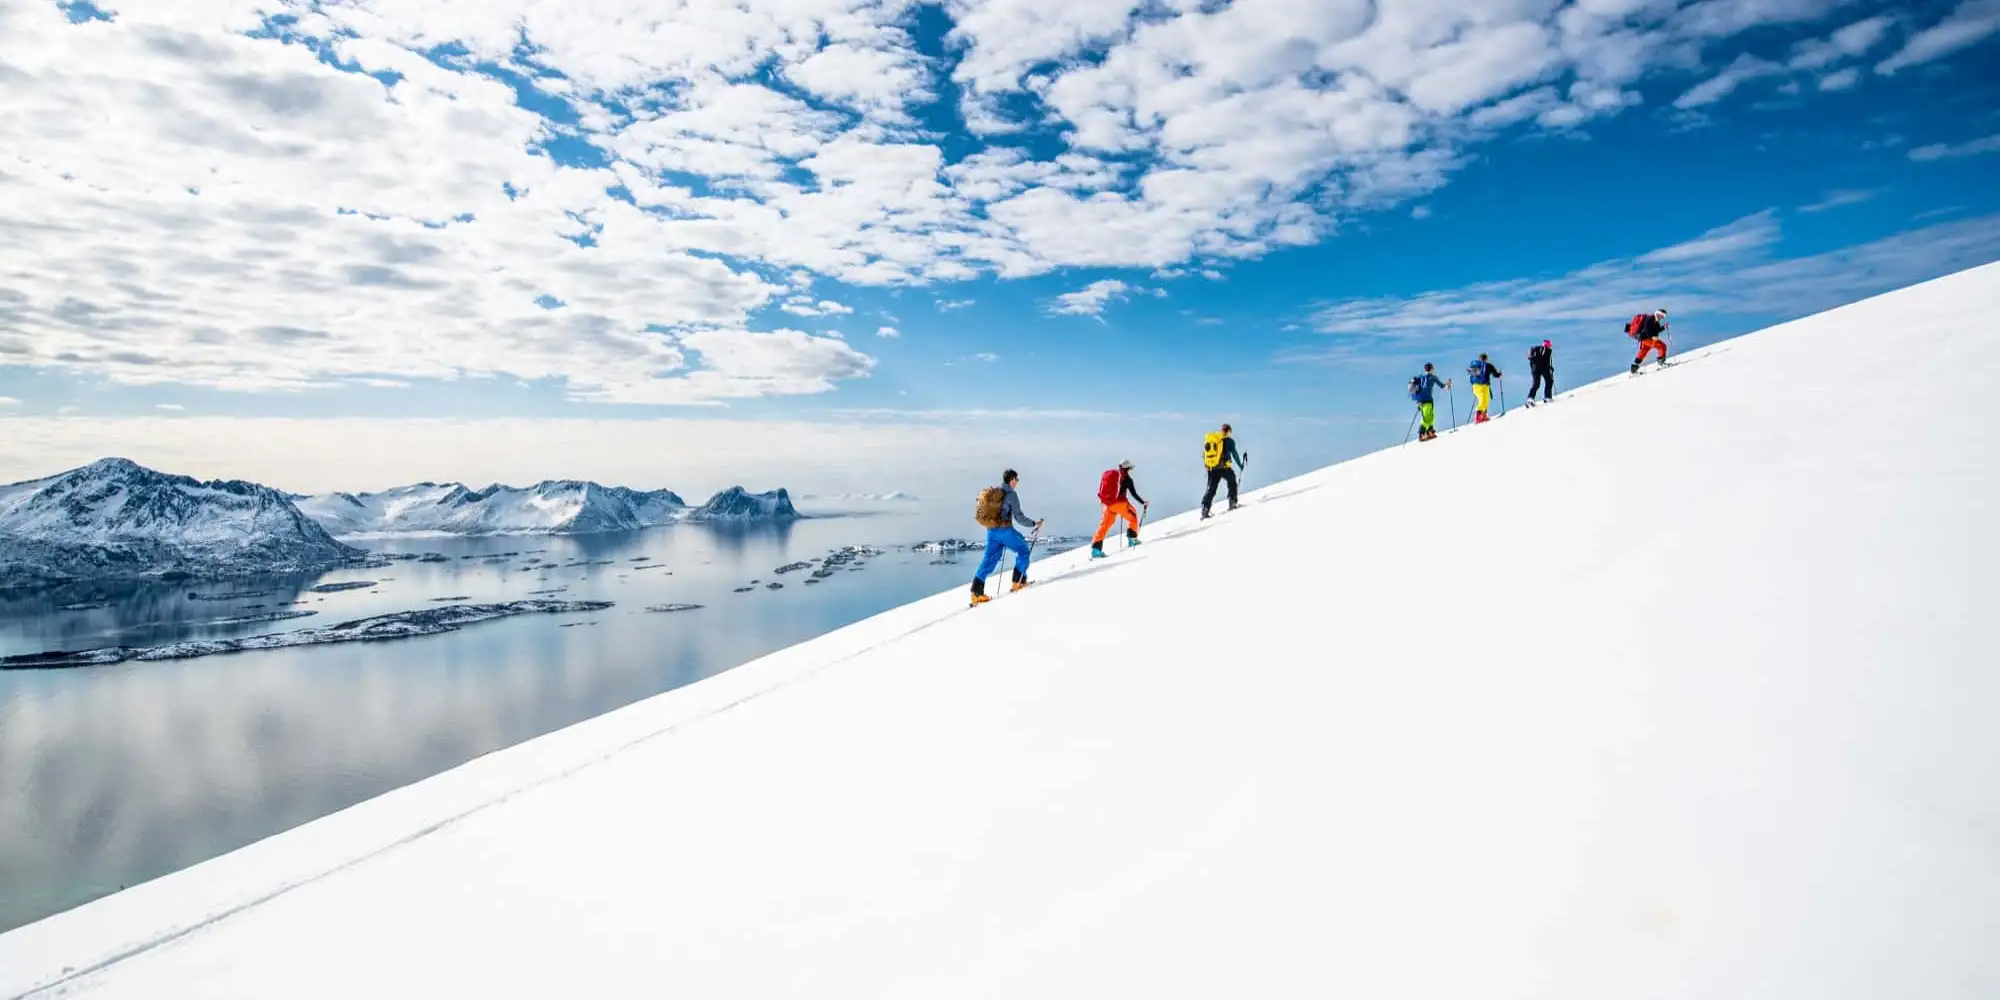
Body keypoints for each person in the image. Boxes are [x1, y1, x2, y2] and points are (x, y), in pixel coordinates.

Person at [969, 469, 1043, 606]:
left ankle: (976, 592)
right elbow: (1019, 517)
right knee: (1023, 550)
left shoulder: (996, 492)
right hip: (1004, 531)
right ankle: (1018, 581)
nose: (1017, 482)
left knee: (989, 559)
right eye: (1017, 480)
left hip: (991, 531)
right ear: (1012, 480)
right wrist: (1033, 523)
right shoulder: (1011, 495)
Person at [1089, 461, 1147, 559]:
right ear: (1127, 469)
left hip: (1108, 504)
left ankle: (1096, 549)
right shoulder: (1127, 479)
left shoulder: (1114, 477)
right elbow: (1133, 493)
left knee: (1105, 525)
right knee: (1133, 516)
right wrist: (1143, 502)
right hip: (1120, 504)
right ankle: (1132, 539)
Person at [1200, 423, 1245, 518]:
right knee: (1232, 481)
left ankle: (1205, 509)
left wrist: (1207, 465)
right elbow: (1235, 454)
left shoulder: (1214, 440)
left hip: (1212, 468)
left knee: (1211, 489)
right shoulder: (1229, 441)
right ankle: (1232, 502)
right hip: (1224, 468)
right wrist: (1240, 465)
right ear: (1228, 431)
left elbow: (1204, 454)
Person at [1407, 363, 1451, 441]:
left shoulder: (1420, 377)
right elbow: (1442, 386)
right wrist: (1448, 385)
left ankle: (1430, 431)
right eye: (1433, 368)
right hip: (1427, 400)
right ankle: (1422, 433)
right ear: (1431, 369)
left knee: (1430, 416)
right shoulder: (1433, 377)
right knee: (1428, 417)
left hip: (1419, 401)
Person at [1628, 308, 1669, 373]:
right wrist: (1652, 336)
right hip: (1646, 338)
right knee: (1662, 346)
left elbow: (1656, 330)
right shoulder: (1650, 319)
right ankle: (1661, 363)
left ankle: (1634, 368)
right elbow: (1647, 329)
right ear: (1657, 314)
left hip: (1645, 338)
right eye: (1662, 315)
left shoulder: (1656, 321)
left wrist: (1663, 327)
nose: (1662, 317)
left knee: (1643, 351)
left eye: (1663, 316)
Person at [1467, 353, 1502, 423]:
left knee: (1483, 401)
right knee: (1485, 401)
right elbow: (1496, 374)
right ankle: (1479, 416)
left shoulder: (1474, 366)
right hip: (1484, 386)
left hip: (1475, 387)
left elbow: (1471, 377)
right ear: (1486, 359)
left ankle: (1483, 416)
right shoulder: (1488, 365)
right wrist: (1500, 374)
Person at [1527, 340, 1554, 405]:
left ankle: (1530, 398)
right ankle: (1547, 397)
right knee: (1549, 381)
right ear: (1548, 345)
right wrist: (1550, 368)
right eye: (1550, 345)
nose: (1550, 346)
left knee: (1536, 384)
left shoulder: (1536, 350)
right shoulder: (1547, 350)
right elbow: (1546, 362)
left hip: (1534, 369)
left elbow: (1532, 361)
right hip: (1543, 368)